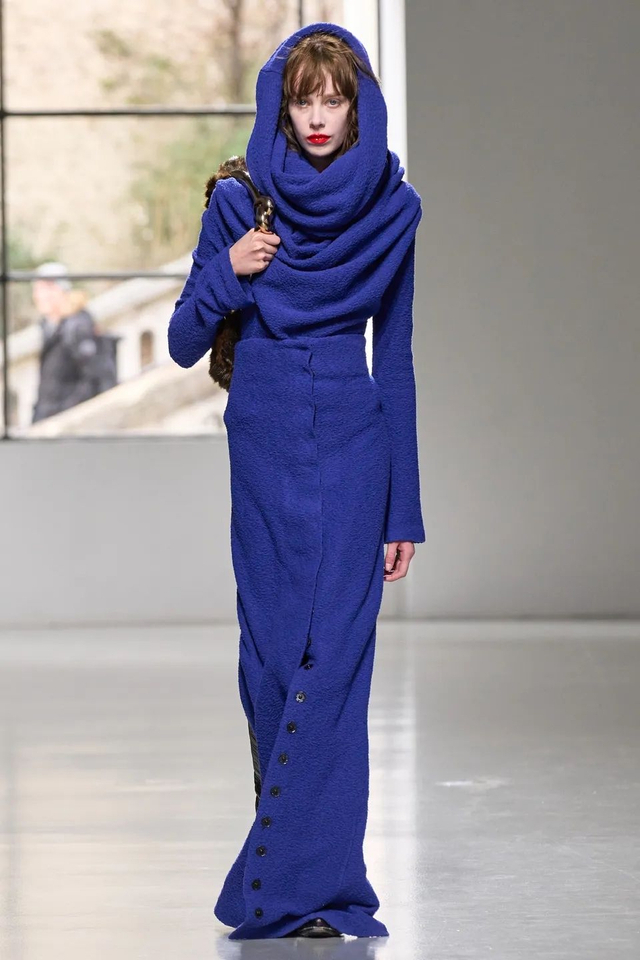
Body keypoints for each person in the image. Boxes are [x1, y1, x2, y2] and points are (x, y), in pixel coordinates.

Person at [168, 22, 425, 941]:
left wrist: (404, 509)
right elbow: (183, 340)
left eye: (334, 99)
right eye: (303, 99)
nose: (318, 117)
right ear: (281, 106)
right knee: (276, 661)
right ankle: (290, 878)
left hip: (356, 452)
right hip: (266, 450)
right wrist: (229, 273)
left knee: (340, 665)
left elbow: (396, 360)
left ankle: (314, 889)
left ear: (359, 107)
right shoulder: (240, 204)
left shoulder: (393, 209)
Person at [31, 262, 118, 423]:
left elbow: (95, 380)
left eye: (45, 289)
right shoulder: (49, 326)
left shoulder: (77, 326)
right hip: (48, 421)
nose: (39, 296)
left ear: (60, 290)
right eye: (37, 290)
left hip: (69, 423)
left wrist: (64, 414)